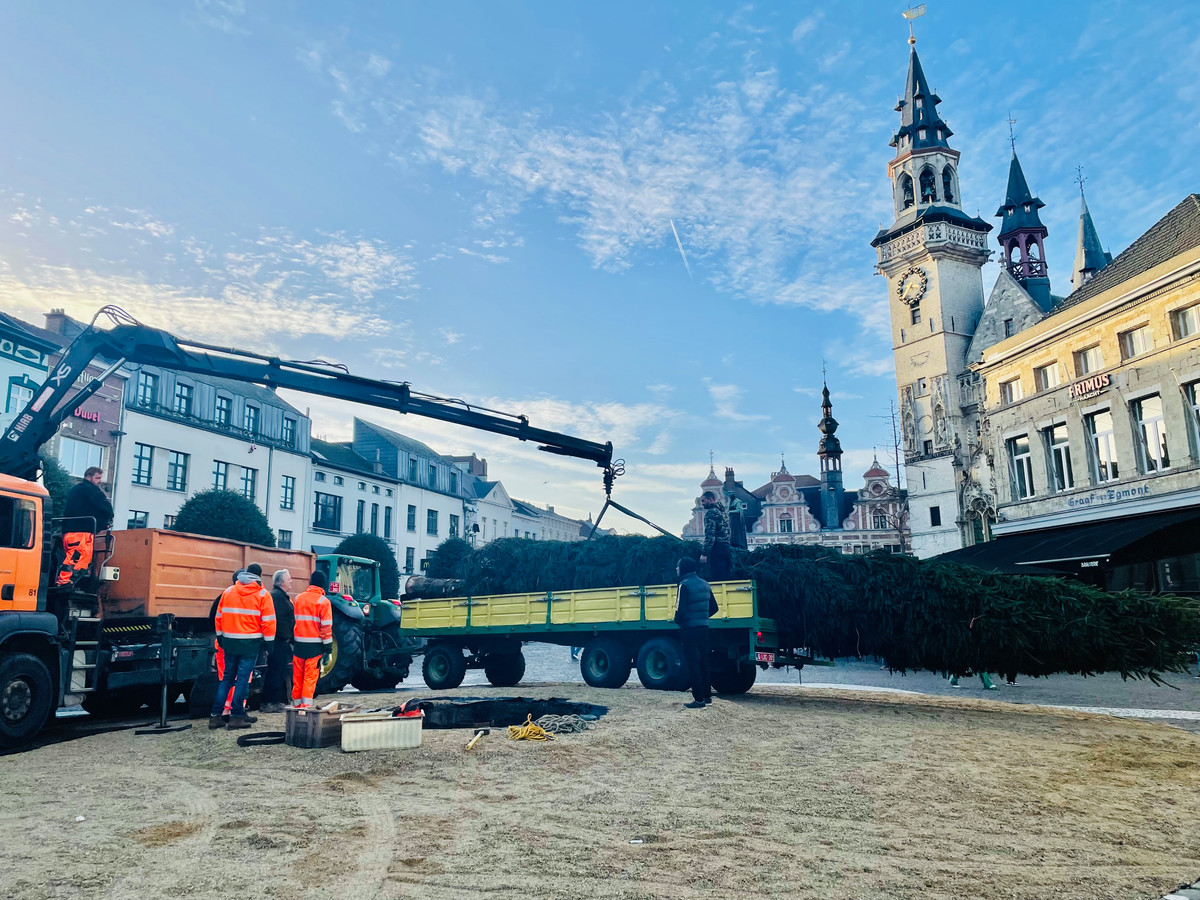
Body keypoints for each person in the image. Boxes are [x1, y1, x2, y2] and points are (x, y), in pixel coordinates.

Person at [210, 568, 276, 730]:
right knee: (242, 680)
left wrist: (221, 637)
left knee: (227, 678)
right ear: (256, 580)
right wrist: (269, 645)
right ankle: (236, 716)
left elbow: (218, 617)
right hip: (250, 645)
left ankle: (215, 716)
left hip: (230, 643)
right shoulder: (262, 595)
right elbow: (268, 623)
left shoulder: (228, 592)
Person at [55, 466, 114, 587]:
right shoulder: (91, 490)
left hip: (68, 533)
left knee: (70, 558)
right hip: (82, 532)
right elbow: (107, 508)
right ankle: (65, 582)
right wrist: (104, 521)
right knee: (78, 559)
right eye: (97, 478)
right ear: (89, 477)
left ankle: (66, 581)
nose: (99, 481)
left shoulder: (75, 489)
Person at [674, 557, 714, 709]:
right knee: (704, 663)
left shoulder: (684, 585)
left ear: (683, 568)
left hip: (689, 629)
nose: (676, 570)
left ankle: (698, 700)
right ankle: (708, 697)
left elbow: (680, 610)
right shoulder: (705, 584)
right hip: (704, 628)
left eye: (678, 567)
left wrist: (679, 622)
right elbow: (714, 607)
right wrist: (702, 617)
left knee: (693, 664)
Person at [291, 570, 333, 709]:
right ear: (323, 584)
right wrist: (328, 649)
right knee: (309, 679)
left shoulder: (298, 598)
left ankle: (296, 707)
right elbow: (326, 628)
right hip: (315, 647)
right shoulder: (323, 602)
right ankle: (305, 708)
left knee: (297, 678)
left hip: (298, 645)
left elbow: (294, 621)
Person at [261, 569, 296, 713]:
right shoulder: (277, 598)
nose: (291, 581)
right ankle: (270, 702)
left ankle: (271, 701)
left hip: (278, 640)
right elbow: (279, 621)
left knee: (276, 671)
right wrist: (287, 636)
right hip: (278, 641)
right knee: (275, 671)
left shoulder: (278, 596)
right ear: (281, 582)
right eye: (289, 579)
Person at [698, 491, 732, 582]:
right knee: (726, 577)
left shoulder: (711, 513)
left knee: (718, 577)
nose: (702, 504)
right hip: (727, 547)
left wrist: (704, 553)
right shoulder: (723, 513)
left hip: (717, 548)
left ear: (711, 499)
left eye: (703, 501)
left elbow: (710, 534)